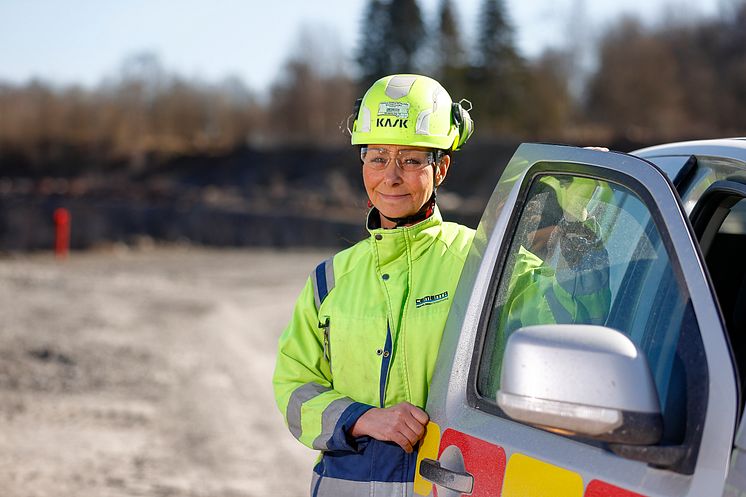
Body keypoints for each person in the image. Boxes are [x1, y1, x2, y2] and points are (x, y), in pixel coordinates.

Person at [272, 74, 476, 496]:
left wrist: (584, 216)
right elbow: (294, 389)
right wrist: (363, 418)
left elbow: (570, 310)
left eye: (410, 159)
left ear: (441, 168)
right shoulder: (330, 279)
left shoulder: (476, 260)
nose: (391, 177)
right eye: (378, 157)